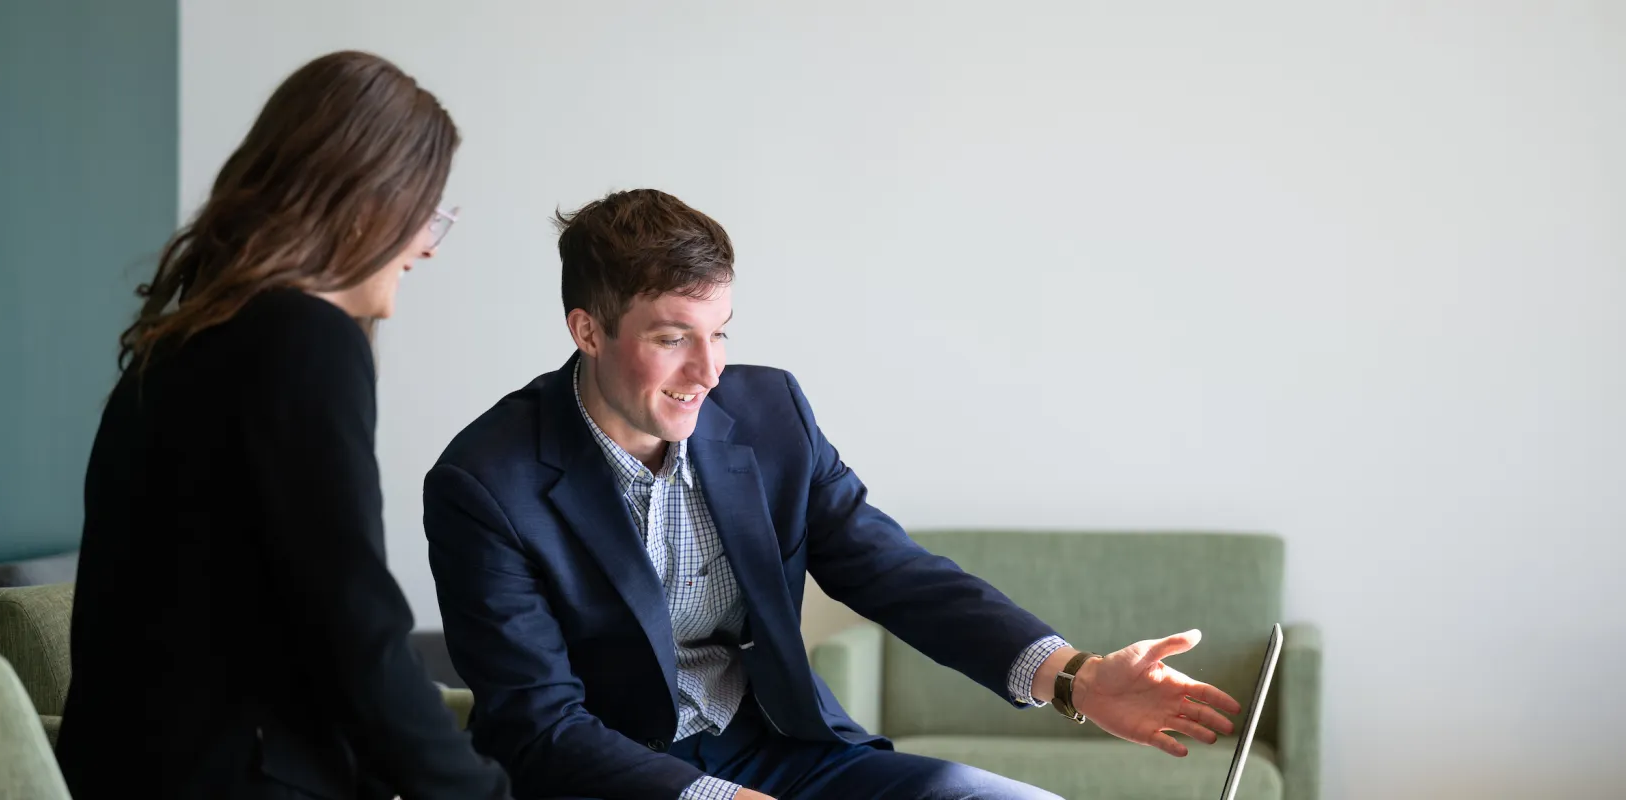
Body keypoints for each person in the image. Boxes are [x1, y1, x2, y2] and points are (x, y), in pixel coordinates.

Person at [424, 189, 1242, 800]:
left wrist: (1076, 678)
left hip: (786, 750)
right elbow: (541, 728)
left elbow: (894, 572)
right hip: (610, 780)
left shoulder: (769, 413)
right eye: (673, 339)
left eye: (721, 334)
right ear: (588, 330)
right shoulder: (486, 485)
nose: (708, 373)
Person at [57, 51, 510, 800]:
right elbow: (356, 631)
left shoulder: (181, 343)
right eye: (426, 212)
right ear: (365, 199)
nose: (428, 244)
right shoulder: (305, 340)